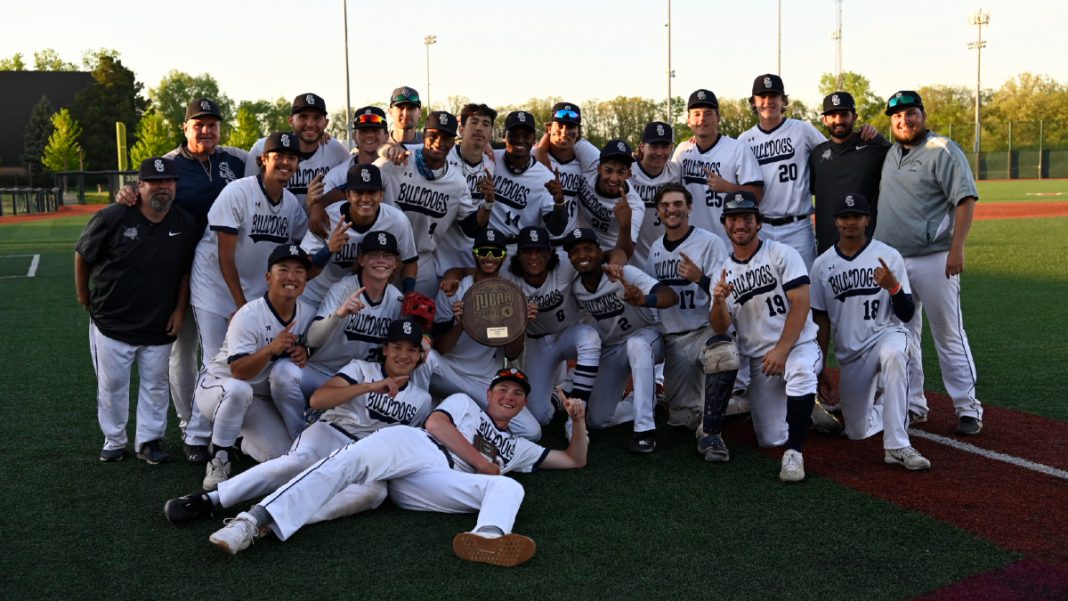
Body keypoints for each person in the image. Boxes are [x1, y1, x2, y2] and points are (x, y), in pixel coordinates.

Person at [205, 369, 589, 569]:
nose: (509, 397)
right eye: (503, 390)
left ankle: (487, 537)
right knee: (348, 462)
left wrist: (578, 421)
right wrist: (484, 464)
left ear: (523, 404)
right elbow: (438, 426)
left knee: (511, 489)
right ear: (490, 394)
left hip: (437, 483)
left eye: (518, 394)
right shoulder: (466, 403)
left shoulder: (519, 447)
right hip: (418, 446)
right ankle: (252, 522)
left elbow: (575, 460)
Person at [163, 317, 433, 527]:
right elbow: (318, 400)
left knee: (374, 494)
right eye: (397, 347)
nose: (403, 355)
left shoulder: (422, 399)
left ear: (420, 356)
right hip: (332, 433)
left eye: (411, 350)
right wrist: (369, 387)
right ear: (385, 349)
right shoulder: (361, 369)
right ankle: (210, 499)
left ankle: (272, 516)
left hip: (364, 455)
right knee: (294, 463)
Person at [115, 97, 247, 464]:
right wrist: (126, 191)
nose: (206, 130)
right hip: (174, 264)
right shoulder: (170, 163)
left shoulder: (236, 159)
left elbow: (275, 161)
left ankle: (221, 424)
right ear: (185, 127)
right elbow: (142, 190)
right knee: (181, 350)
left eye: (212, 124)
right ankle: (190, 422)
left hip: (222, 266)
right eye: (198, 124)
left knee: (219, 349)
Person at [873, 91, 984, 435]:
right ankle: (914, 402)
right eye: (897, 117)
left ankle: (968, 407)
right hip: (895, 260)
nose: (904, 121)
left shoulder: (942, 149)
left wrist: (957, 248)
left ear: (922, 114)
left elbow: (965, 199)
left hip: (935, 257)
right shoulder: (891, 153)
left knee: (948, 332)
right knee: (904, 334)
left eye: (910, 114)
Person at [75, 157, 197, 463]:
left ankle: (149, 441)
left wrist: (179, 310)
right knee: (112, 384)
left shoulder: (184, 223)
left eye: (168, 182)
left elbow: (185, 272)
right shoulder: (113, 217)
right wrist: (82, 296)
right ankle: (114, 439)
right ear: (139, 186)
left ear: (175, 186)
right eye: (154, 182)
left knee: (156, 385)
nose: (162, 188)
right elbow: (83, 255)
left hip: (159, 321)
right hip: (112, 320)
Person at [810, 193, 931, 470]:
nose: (850, 222)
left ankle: (898, 446)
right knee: (857, 431)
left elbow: (906, 314)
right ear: (836, 222)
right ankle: (891, 402)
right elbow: (822, 319)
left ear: (867, 220)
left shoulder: (888, 256)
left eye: (856, 217)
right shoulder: (822, 265)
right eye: (844, 217)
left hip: (887, 335)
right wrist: (820, 366)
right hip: (852, 354)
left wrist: (894, 287)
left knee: (894, 355)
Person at [709, 193, 823, 482]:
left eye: (747, 218)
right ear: (725, 225)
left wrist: (783, 350)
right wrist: (719, 301)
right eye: (733, 219)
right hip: (761, 359)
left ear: (758, 223)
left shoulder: (781, 253)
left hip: (798, 345)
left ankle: (794, 454)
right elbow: (720, 327)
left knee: (799, 371)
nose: (740, 225)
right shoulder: (722, 272)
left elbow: (801, 302)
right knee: (770, 438)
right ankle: (806, 410)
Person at [194, 244, 316, 491]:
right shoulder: (249, 314)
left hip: (258, 399)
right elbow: (239, 372)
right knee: (240, 390)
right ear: (268, 277)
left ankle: (240, 441)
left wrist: (306, 351)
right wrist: (272, 349)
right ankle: (219, 458)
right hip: (219, 388)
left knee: (285, 459)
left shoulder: (307, 313)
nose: (292, 276)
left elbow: (315, 348)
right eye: (284, 269)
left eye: (299, 271)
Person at [189, 132, 309, 365]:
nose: (286, 162)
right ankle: (201, 402)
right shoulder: (238, 192)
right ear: (263, 159)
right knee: (216, 363)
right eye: (279, 155)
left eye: (292, 157)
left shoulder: (291, 204)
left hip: (253, 290)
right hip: (214, 287)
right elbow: (225, 256)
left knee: (249, 361)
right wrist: (242, 307)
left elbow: (306, 244)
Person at [566, 228, 677, 453]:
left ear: (599, 252)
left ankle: (644, 429)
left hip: (649, 337)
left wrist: (645, 299)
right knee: (597, 420)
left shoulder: (625, 273)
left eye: (588, 249)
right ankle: (642, 403)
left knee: (636, 344)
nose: (582, 255)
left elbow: (670, 296)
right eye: (575, 251)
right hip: (614, 347)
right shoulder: (576, 288)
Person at [431, 228, 539, 439]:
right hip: (449, 372)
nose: (489, 258)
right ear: (474, 254)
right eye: (484, 251)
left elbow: (512, 353)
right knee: (426, 356)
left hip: (485, 382)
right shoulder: (454, 290)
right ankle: (421, 413)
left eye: (496, 253)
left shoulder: (512, 294)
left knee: (531, 431)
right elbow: (440, 348)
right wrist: (462, 325)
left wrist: (521, 324)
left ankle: (464, 418)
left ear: (503, 257)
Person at [644, 183, 728, 430]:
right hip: (674, 340)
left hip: (706, 330)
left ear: (689, 208)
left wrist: (700, 278)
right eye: (665, 206)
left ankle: (725, 411)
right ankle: (711, 405)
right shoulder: (656, 249)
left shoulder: (710, 242)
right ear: (658, 211)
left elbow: (725, 295)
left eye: (678, 204)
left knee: (724, 355)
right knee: (681, 419)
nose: (672, 210)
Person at [376, 110, 482, 297]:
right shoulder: (399, 160)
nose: (439, 142)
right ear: (423, 135)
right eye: (433, 135)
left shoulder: (457, 183)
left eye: (446, 138)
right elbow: (359, 184)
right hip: (382, 253)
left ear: (452, 142)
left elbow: (470, 228)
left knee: (419, 319)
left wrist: (488, 204)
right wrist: (385, 150)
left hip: (421, 259)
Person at [302, 231, 405, 399]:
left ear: (395, 263)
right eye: (374, 255)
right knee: (284, 374)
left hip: (361, 382)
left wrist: (426, 337)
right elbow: (312, 339)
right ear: (361, 260)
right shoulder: (342, 290)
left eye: (387, 256)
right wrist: (339, 314)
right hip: (322, 371)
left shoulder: (397, 300)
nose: (381, 261)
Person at [299, 163, 418, 308]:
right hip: (317, 297)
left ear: (381, 195)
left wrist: (408, 293)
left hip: (364, 304)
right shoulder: (327, 218)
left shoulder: (396, 220)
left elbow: (409, 260)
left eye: (372, 192)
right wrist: (328, 250)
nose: (366, 199)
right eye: (359, 193)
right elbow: (306, 270)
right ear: (348, 195)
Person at [740, 75, 827, 269]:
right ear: (754, 102)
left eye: (774, 96)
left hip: (798, 227)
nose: (768, 101)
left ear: (783, 100)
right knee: (765, 291)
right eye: (762, 96)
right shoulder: (744, 140)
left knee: (805, 289)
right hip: (760, 228)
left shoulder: (802, 129)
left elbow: (833, 154)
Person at [673, 89, 763, 244]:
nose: (702, 119)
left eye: (708, 113)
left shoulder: (736, 148)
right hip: (690, 242)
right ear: (688, 121)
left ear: (718, 118)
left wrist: (728, 187)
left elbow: (757, 194)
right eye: (697, 114)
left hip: (726, 243)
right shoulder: (683, 150)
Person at [810, 92, 891, 254]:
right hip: (828, 246)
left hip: (867, 246)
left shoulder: (874, 146)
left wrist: (879, 138)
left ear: (854, 117)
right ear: (824, 120)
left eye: (844, 114)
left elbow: (901, 157)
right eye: (832, 115)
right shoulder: (816, 154)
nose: (838, 120)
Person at [245, 93, 350, 206]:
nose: (310, 124)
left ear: (326, 123)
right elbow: (248, 193)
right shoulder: (264, 148)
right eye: (303, 117)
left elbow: (354, 184)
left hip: (319, 222)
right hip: (272, 221)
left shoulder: (335, 149)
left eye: (317, 118)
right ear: (291, 120)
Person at [486, 111, 570, 245]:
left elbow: (556, 229)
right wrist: (484, 144)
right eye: (514, 134)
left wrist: (559, 202)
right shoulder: (489, 159)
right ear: (504, 136)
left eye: (526, 135)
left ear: (534, 139)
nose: (520, 140)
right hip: (488, 244)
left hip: (523, 248)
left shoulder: (545, 177)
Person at [309, 106, 391, 237]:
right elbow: (320, 206)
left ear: (386, 135)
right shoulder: (337, 175)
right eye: (363, 130)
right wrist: (315, 206)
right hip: (349, 242)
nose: (369, 135)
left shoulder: (396, 168)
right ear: (355, 136)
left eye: (375, 130)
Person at [437, 103, 498, 274]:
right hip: (440, 252)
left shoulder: (491, 164)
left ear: (491, 134)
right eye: (474, 122)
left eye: (485, 124)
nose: (479, 128)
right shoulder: (443, 156)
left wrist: (488, 203)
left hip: (472, 252)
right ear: (461, 129)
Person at [532, 102, 600, 245]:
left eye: (570, 127)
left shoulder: (583, 163)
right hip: (536, 241)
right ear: (549, 129)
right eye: (560, 126)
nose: (564, 132)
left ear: (578, 132)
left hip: (568, 244)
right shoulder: (533, 158)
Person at [575, 139, 645, 261]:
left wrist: (625, 225)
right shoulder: (590, 158)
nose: (613, 179)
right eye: (608, 170)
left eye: (621, 172)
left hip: (607, 255)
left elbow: (625, 254)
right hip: (576, 245)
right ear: (599, 168)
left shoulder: (633, 205)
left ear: (628, 174)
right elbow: (568, 136)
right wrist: (541, 151)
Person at [630, 121, 681, 267]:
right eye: (653, 146)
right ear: (642, 147)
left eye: (665, 147)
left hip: (665, 258)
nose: (659, 152)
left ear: (672, 148)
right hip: (631, 257)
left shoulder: (677, 171)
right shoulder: (627, 172)